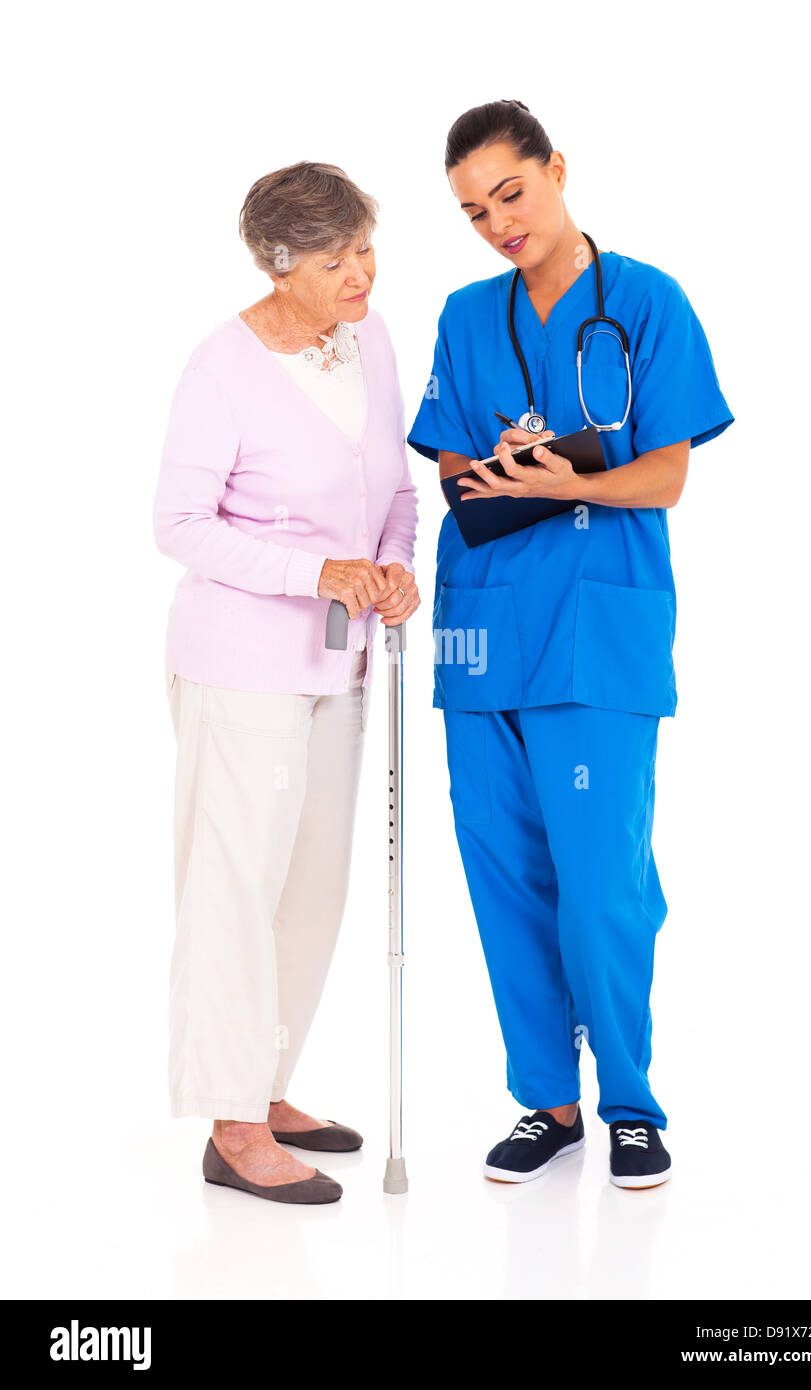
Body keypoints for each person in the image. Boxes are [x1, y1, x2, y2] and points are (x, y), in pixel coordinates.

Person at [409, 101, 732, 1189]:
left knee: (600, 881)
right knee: (503, 874)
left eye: (509, 192)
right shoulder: (465, 314)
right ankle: (545, 1100)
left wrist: (572, 480)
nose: (496, 222)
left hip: (596, 628)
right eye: (470, 210)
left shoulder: (644, 301)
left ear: (555, 169)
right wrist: (499, 467)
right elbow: (449, 471)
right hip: (479, 627)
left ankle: (630, 1102)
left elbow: (669, 474)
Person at [154, 162, 419, 1205]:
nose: (361, 272)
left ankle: (263, 1087)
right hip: (240, 669)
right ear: (277, 263)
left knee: (311, 890)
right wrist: (317, 571)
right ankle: (228, 1126)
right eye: (335, 258)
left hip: (338, 659)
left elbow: (392, 487)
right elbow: (176, 526)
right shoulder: (220, 369)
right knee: (233, 892)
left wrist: (393, 564)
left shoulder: (372, 337)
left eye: (364, 247)